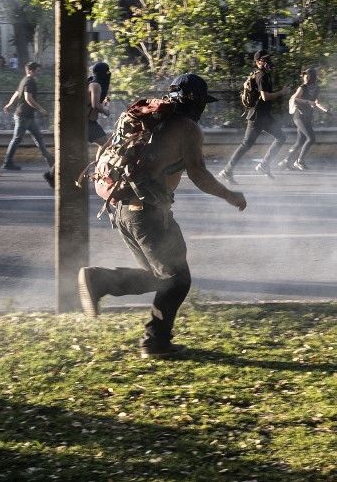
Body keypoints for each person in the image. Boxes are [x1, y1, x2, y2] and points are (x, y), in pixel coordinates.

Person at [78, 73, 247, 358]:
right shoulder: (187, 128)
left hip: (121, 210)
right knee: (177, 279)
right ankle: (155, 342)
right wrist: (231, 196)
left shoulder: (146, 119)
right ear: (194, 102)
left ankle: (100, 281)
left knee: (158, 276)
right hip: (148, 214)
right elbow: (198, 174)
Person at [218, 50, 290, 182]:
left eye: (268, 59)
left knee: (281, 137)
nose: (268, 62)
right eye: (264, 60)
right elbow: (265, 96)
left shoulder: (265, 75)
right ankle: (227, 170)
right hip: (257, 117)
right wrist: (282, 92)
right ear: (258, 62)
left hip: (264, 116)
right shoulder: (261, 75)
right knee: (246, 144)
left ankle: (264, 165)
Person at [1, 61, 53, 171]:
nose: (38, 73)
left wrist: (9, 105)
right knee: (17, 139)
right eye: (36, 71)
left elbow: (16, 94)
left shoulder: (24, 80)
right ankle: (7, 162)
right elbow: (28, 98)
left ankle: (51, 161)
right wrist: (41, 109)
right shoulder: (30, 81)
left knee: (38, 138)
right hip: (23, 116)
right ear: (30, 70)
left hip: (27, 116)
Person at [278, 66, 328, 171]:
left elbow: (317, 103)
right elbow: (294, 99)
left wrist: (326, 110)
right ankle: (299, 161)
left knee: (300, 141)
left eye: (307, 75)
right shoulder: (302, 88)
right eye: (304, 75)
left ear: (313, 77)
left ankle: (286, 161)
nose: (305, 77)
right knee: (311, 138)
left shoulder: (316, 88)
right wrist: (307, 102)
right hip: (299, 116)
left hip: (307, 116)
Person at [87, 62, 113, 148]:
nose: (108, 75)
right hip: (88, 123)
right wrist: (106, 112)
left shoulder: (94, 83)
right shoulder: (95, 85)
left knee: (105, 145)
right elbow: (95, 105)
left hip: (91, 123)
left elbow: (98, 104)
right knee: (108, 145)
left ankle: (98, 161)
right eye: (107, 72)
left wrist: (106, 102)